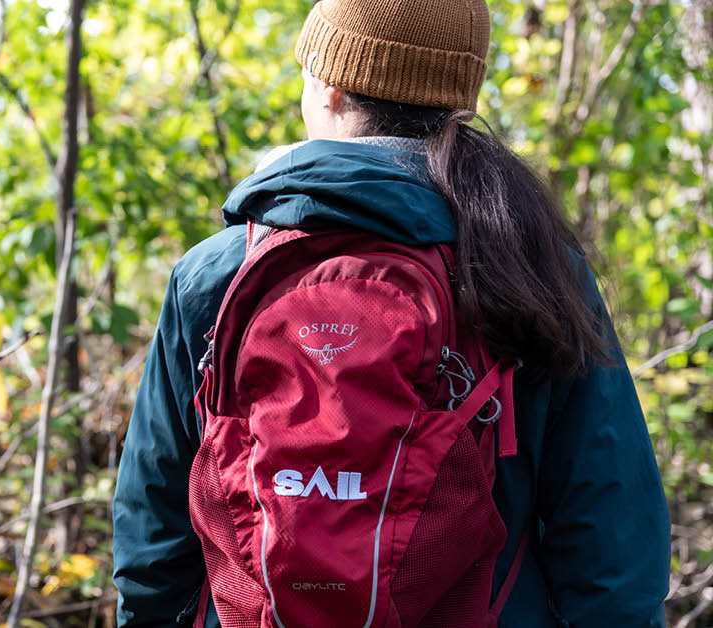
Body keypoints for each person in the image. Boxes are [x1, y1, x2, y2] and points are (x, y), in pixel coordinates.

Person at [110, 0, 672, 626]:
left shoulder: (215, 274)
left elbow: (154, 532)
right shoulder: (527, 264)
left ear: (329, 85)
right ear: (458, 101)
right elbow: (608, 529)